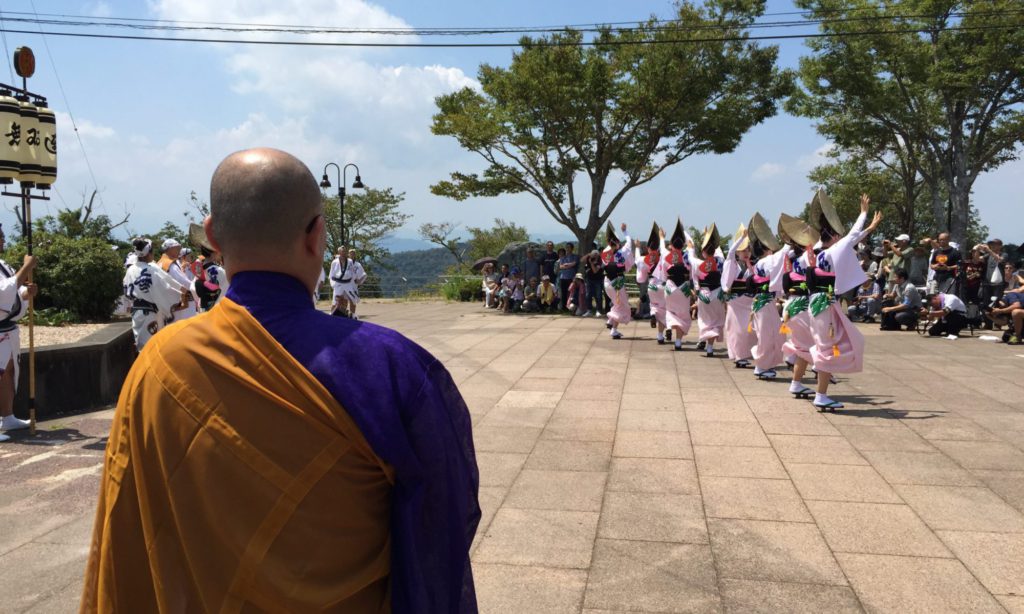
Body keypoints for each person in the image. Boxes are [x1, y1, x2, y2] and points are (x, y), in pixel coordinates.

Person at [82, 148, 480, 613]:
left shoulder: (158, 365)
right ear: (316, 237)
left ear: (212, 236)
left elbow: (126, 532)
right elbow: (441, 526)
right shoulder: (392, 369)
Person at [804, 191, 882, 410]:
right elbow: (853, 235)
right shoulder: (831, 251)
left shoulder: (817, 253)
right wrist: (864, 214)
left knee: (831, 343)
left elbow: (852, 238)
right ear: (835, 237)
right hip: (824, 304)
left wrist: (869, 228)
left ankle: (820, 376)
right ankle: (821, 393)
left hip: (818, 302)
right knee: (834, 345)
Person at [776, 213, 821, 398]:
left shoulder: (788, 258)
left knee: (803, 343)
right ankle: (819, 370)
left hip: (791, 304)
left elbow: (785, 286)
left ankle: (799, 374)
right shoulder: (807, 257)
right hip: (802, 305)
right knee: (810, 345)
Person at [0, 224, 38, 441]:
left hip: (6, 329)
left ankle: (7, 416)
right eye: (1, 237)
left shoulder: (1, 264)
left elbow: (11, 290)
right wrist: (26, 267)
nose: (3, 240)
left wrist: (25, 292)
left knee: (7, 372)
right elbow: (3, 292)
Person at [122, 238, 188, 351]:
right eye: (152, 251)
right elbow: (163, 288)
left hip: (137, 311)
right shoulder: (150, 270)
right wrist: (181, 294)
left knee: (141, 345)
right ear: (148, 253)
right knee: (151, 346)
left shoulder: (131, 269)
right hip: (150, 313)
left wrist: (180, 289)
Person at [687, 225, 726, 358]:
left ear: (703, 252)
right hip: (718, 294)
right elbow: (719, 250)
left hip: (704, 295)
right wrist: (708, 237)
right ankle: (709, 347)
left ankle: (704, 341)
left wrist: (690, 246)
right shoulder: (721, 261)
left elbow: (690, 254)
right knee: (716, 320)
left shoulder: (698, 263)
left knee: (704, 320)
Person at [721, 224, 757, 367]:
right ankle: (738, 357)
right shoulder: (732, 263)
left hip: (748, 302)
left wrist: (750, 266)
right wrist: (742, 237)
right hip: (736, 303)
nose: (746, 253)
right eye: (742, 250)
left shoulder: (752, 266)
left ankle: (745, 355)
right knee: (737, 331)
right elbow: (730, 252)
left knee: (749, 331)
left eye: (748, 249)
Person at [659, 220, 692, 350]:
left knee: (670, 311)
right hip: (684, 288)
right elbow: (691, 245)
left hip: (670, 286)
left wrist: (662, 237)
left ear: (671, 245)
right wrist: (684, 232)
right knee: (683, 314)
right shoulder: (687, 255)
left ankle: (669, 326)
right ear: (683, 244)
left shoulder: (666, 254)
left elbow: (662, 247)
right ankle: (678, 341)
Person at [602, 222, 634, 339]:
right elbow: (629, 243)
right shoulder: (622, 252)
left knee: (617, 303)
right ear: (616, 243)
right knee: (622, 306)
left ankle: (610, 321)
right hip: (617, 283)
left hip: (607, 282)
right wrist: (625, 231)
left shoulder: (604, 253)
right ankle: (614, 330)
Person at [636, 223, 667, 342]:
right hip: (662, 286)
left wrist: (638, 247)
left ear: (648, 248)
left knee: (654, 306)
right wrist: (662, 238)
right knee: (664, 310)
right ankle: (660, 335)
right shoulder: (663, 256)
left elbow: (638, 262)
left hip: (651, 285)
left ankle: (653, 313)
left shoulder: (644, 259)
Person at [158, 238, 198, 321]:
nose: (179, 250)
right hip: (179, 303)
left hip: (167, 303)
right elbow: (185, 282)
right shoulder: (170, 265)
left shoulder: (159, 263)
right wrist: (198, 287)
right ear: (170, 249)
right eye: (177, 248)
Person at [977, 239, 1007, 316]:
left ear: (1000, 246)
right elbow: (977, 259)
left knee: (997, 302)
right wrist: (977, 249)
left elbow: (1000, 259)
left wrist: (989, 250)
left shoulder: (1004, 254)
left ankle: (998, 322)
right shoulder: (988, 255)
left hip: (998, 284)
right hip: (987, 283)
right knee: (986, 303)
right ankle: (988, 323)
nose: (992, 245)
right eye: (991, 244)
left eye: (995, 244)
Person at [346, 248, 368, 320]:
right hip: (345, 284)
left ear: (355, 255)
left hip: (353, 285)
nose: (352, 254)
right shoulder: (345, 263)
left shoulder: (358, 264)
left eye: (353, 253)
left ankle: (352, 315)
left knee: (353, 300)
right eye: (350, 253)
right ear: (348, 254)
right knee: (344, 300)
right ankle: (344, 315)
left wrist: (360, 281)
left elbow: (364, 274)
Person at [558, 242, 579, 311]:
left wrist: (566, 265)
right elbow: (561, 266)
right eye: (566, 247)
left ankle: (570, 307)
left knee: (571, 293)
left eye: (569, 247)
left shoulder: (575, 256)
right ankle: (564, 308)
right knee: (563, 293)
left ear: (572, 248)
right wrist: (569, 265)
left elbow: (574, 264)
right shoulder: (563, 257)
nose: (567, 249)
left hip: (571, 277)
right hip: (563, 277)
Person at [584, 250, 605, 317]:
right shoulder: (589, 259)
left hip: (598, 280)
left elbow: (595, 271)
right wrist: (587, 255)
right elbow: (581, 260)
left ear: (599, 255)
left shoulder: (600, 261)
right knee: (588, 295)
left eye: (596, 254)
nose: (595, 255)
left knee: (598, 296)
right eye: (593, 254)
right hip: (589, 279)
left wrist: (591, 263)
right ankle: (589, 310)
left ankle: (598, 311)